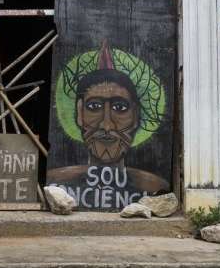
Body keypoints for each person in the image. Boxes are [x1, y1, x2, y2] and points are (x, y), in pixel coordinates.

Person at [48, 41, 169, 209]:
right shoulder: (56, 182)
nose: (106, 126)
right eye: (94, 107)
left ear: (136, 116)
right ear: (79, 114)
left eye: (120, 107)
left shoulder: (155, 187)